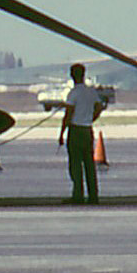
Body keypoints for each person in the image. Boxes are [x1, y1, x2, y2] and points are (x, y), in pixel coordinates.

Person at [58, 63, 105, 204]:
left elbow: (68, 114)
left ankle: (78, 195)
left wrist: (61, 134)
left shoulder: (73, 93)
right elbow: (99, 107)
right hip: (87, 130)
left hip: (76, 131)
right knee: (89, 165)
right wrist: (91, 118)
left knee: (76, 165)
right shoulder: (91, 91)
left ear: (72, 75)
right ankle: (93, 195)